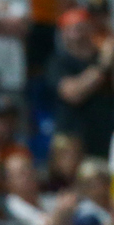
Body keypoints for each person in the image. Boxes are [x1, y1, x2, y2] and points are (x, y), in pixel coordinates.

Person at [48, 8, 114, 156]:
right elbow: (72, 94)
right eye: (70, 29)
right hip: (72, 143)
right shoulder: (58, 62)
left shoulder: (106, 56)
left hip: (104, 138)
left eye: (80, 28)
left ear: (91, 29)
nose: (76, 35)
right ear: (63, 34)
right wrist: (102, 65)